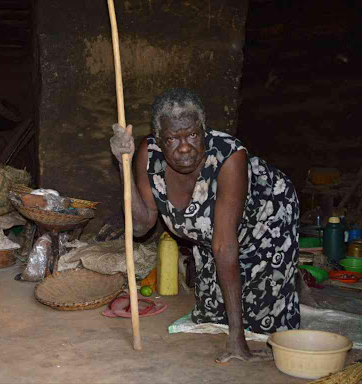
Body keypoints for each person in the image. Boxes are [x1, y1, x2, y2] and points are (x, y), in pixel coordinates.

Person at [110, 88, 300, 363]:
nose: (185, 147)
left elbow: (224, 245)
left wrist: (236, 340)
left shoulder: (229, 156)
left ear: (204, 130)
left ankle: (291, 280)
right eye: (173, 139)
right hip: (210, 233)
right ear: (159, 140)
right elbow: (141, 227)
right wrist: (123, 166)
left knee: (264, 322)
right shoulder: (147, 155)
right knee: (211, 315)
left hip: (267, 216)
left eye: (192, 135)